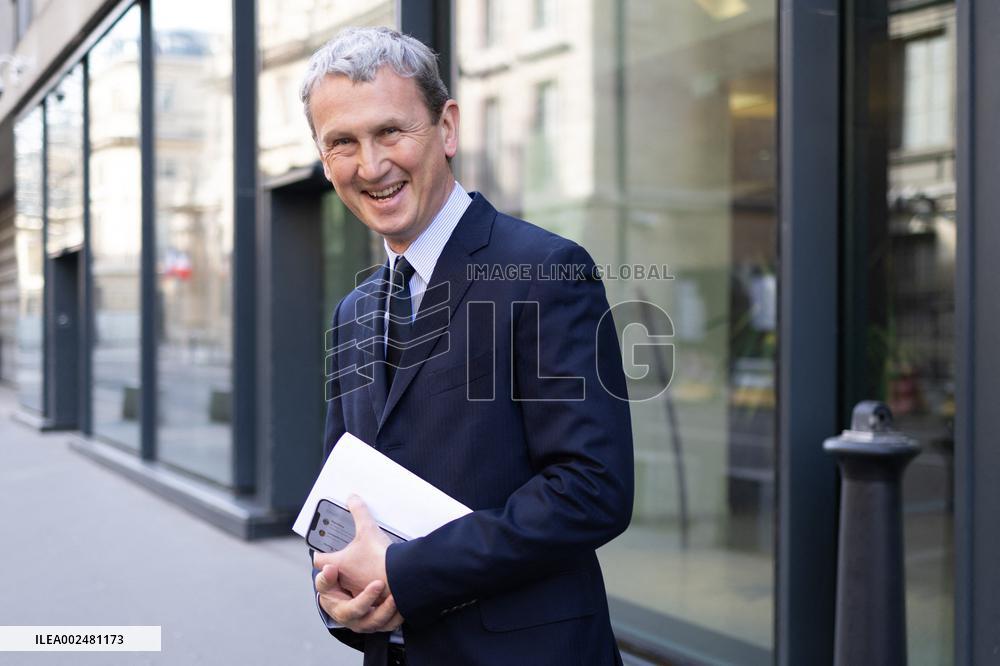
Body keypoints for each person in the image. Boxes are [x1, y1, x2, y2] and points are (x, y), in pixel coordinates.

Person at [302, 26, 634, 666]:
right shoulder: (352, 311)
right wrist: (337, 599)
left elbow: (592, 488)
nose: (371, 166)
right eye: (343, 142)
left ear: (447, 128)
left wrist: (405, 572)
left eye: (391, 132)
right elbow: (336, 502)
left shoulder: (548, 270)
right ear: (324, 160)